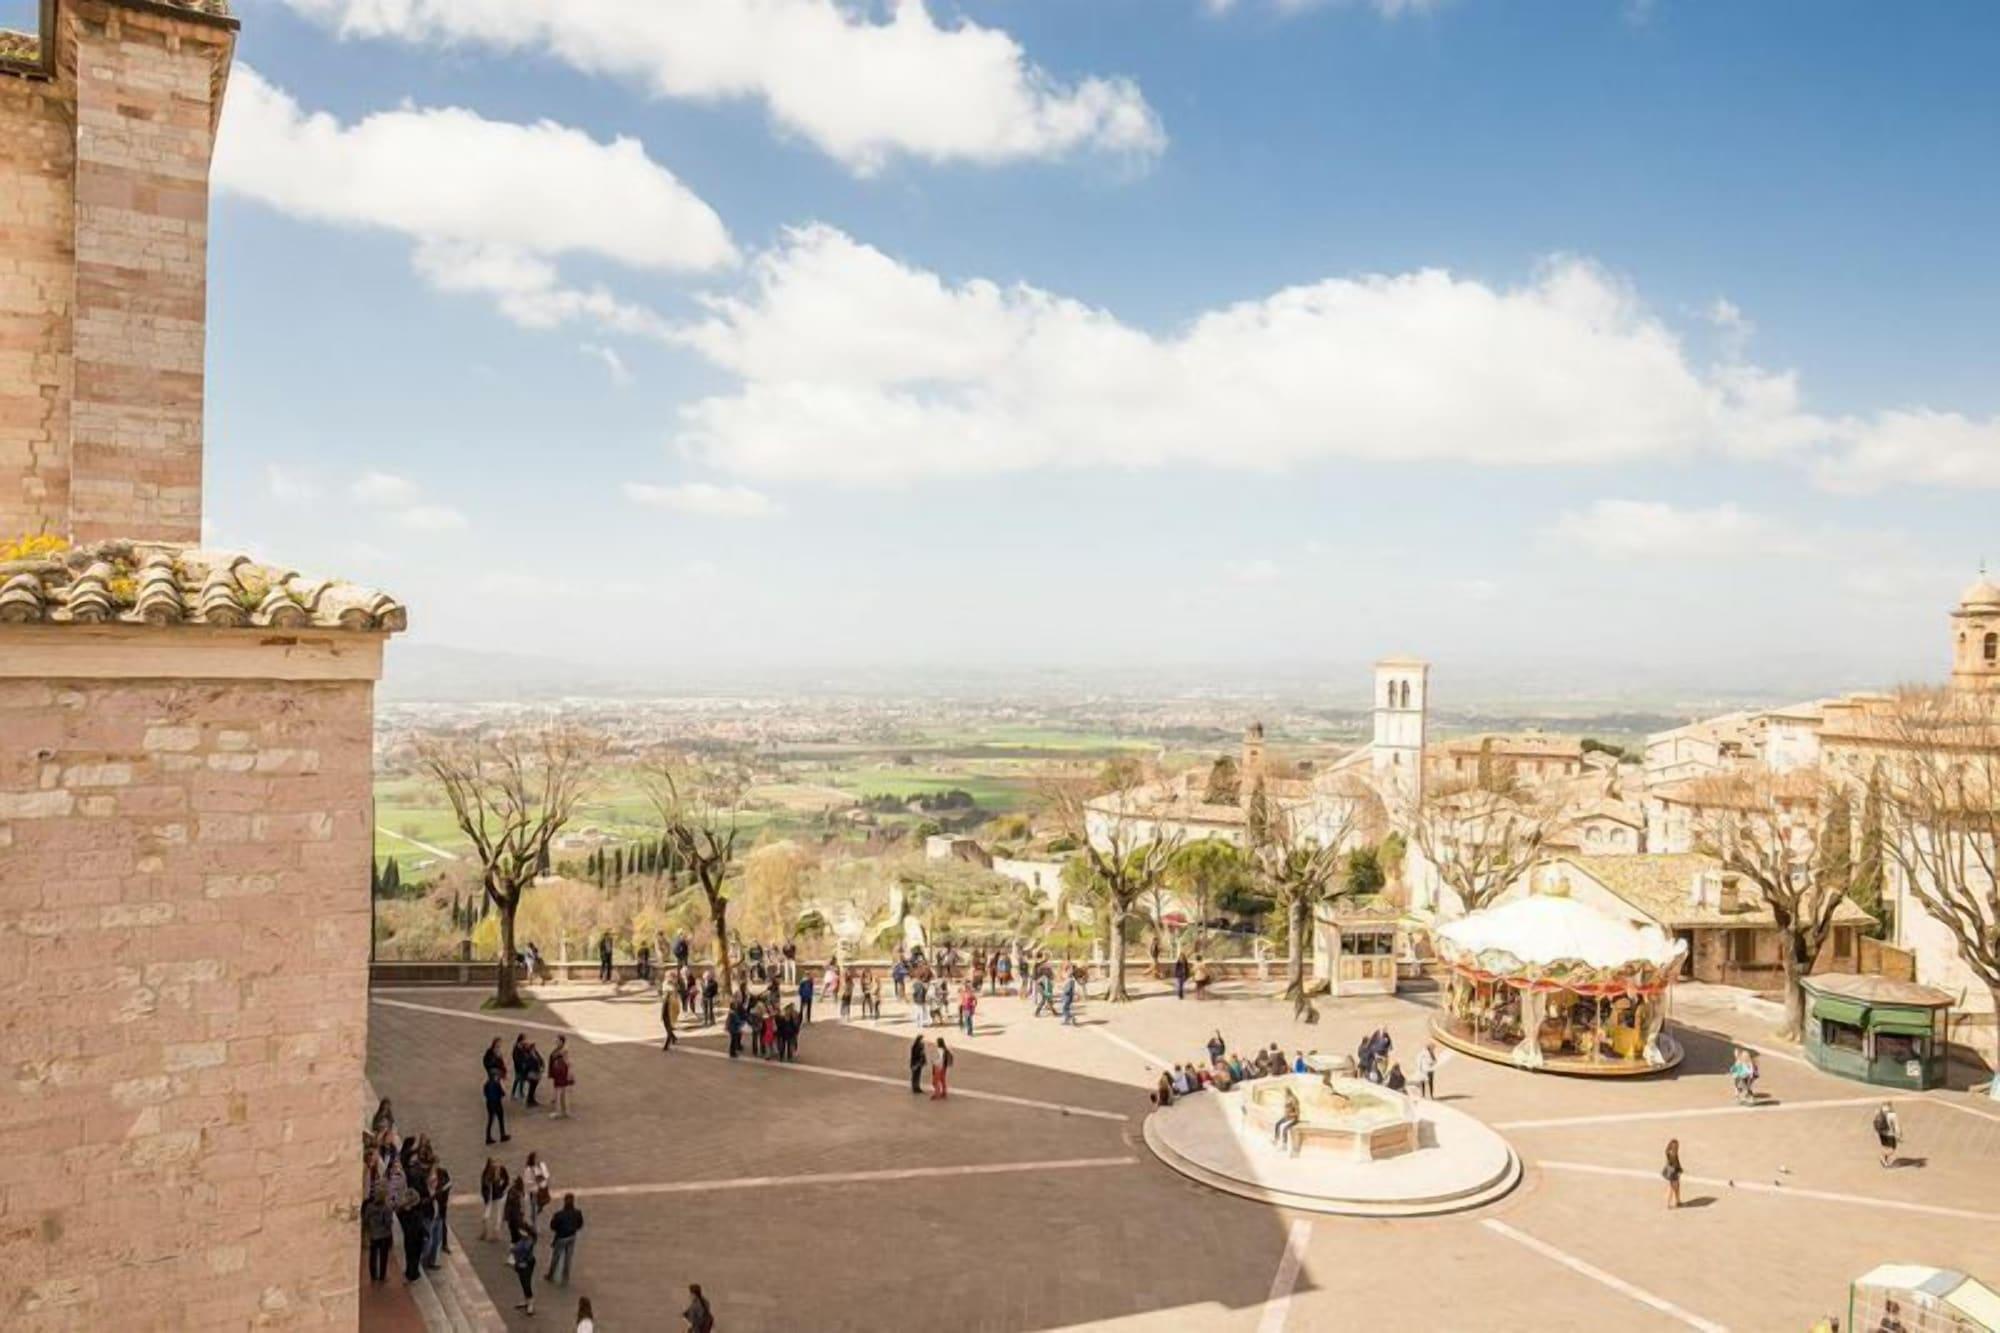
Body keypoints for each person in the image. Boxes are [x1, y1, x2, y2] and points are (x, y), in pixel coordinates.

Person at [396, 1167, 430, 1281]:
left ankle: (409, 1271)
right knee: (415, 1255)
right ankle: (413, 1273)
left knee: (409, 1255)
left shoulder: (403, 1212)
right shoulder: (416, 1213)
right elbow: (420, 1226)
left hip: (408, 1237)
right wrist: (425, 1234)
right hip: (416, 1238)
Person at [546, 1192, 584, 1285]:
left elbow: (552, 1226)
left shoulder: (559, 1214)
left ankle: (551, 1275)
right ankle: (565, 1277)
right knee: (568, 1258)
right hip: (572, 1236)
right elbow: (580, 1224)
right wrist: (574, 1229)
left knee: (556, 1257)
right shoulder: (577, 1213)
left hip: (561, 1237)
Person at [362, 1183, 395, 1283]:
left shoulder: (369, 1207)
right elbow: (388, 1223)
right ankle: (382, 1276)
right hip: (384, 1235)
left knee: (372, 1256)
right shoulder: (386, 1208)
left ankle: (373, 1276)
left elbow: (366, 1219)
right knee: (383, 1256)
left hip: (373, 1234)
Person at [424, 1163, 452, 1269]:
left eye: (435, 1180)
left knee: (437, 1239)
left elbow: (448, 1185)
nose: (434, 1182)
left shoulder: (442, 1176)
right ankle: (424, 1258)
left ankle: (433, 1261)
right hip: (429, 1216)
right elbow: (424, 1201)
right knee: (429, 1239)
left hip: (439, 1214)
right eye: (432, 1180)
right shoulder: (426, 1188)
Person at [509, 1228, 538, 1315]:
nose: (520, 1232)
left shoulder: (528, 1241)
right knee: (523, 1283)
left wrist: (513, 1249)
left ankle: (530, 1303)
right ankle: (527, 1301)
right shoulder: (524, 1239)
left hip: (525, 1264)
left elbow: (523, 1251)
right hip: (521, 1264)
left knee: (526, 1283)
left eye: (522, 1230)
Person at [479, 1159, 509, 1241]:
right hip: (490, 1198)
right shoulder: (487, 1174)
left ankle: (495, 1234)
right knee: (486, 1216)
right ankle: (486, 1232)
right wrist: (485, 1195)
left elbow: (506, 1180)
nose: (496, 1165)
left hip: (498, 1197)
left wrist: (502, 1189)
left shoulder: (501, 1170)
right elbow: (484, 1185)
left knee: (497, 1215)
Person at [549, 1037, 575, 1118]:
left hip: (561, 1073)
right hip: (560, 1072)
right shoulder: (561, 1050)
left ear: (561, 1041)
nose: (556, 1042)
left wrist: (570, 1073)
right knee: (562, 1093)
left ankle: (559, 1111)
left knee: (560, 1092)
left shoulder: (563, 1051)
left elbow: (568, 1062)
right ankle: (565, 1111)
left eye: (558, 1040)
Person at [484, 1065, 510, 1145]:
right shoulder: (497, 1084)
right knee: (500, 1119)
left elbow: (485, 1093)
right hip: (496, 1103)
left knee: (490, 1120)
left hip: (489, 1103)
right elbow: (502, 1093)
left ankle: (488, 1137)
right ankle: (502, 1135)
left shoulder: (487, 1084)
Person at [525, 1151, 551, 1224]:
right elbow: (527, 1180)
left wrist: (542, 1176)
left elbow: (547, 1174)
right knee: (534, 1206)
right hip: (534, 1191)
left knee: (543, 1202)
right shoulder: (529, 1169)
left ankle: (538, 1210)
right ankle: (533, 1221)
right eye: (536, 1158)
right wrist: (535, 1180)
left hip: (543, 1188)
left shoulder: (542, 1165)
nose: (538, 1159)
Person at [1273, 1087, 1302, 1153]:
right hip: (1287, 1117)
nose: (1284, 1094)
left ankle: (1284, 1145)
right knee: (1277, 1124)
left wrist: (1291, 1115)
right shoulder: (1288, 1098)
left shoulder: (1293, 1099)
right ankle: (1276, 1139)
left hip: (1293, 1118)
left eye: (1285, 1092)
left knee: (1284, 1128)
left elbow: (1297, 1112)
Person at [1873, 1102, 1901, 1168]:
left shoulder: (1879, 1112)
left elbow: (1876, 1122)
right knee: (1892, 1148)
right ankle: (1883, 1157)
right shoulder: (1893, 1115)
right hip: (1889, 1134)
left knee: (1885, 1146)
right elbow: (1896, 1126)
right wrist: (1898, 1134)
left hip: (1881, 1133)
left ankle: (1886, 1161)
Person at [1662, 1138, 1683, 1209]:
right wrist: (1679, 1170)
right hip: (1673, 1173)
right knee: (1673, 1188)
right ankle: (1669, 1204)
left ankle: (1678, 1201)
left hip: (1671, 1172)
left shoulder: (1668, 1152)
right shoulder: (1673, 1154)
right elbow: (1675, 1164)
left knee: (1676, 1187)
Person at [661, 985, 680, 1052]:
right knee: (667, 1027)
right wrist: (662, 1016)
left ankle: (666, 1045)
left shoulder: (673, 999)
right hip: (665, 1015)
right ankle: (674, 1038)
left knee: (669, 1029)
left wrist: (674, 1017)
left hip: (670, 1016)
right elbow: (663, 1008)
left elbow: (677, 1009)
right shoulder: (665, 998)